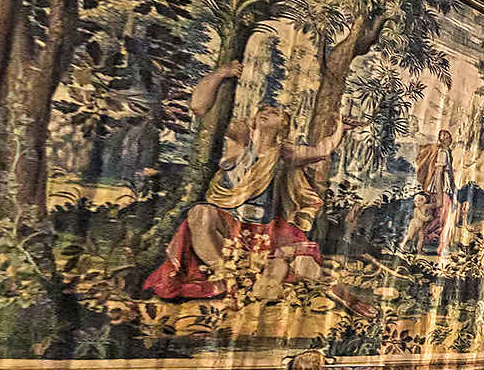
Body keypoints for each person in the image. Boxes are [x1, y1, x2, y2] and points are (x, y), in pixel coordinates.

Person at [145, 68, 369, 311]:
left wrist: (340, 129)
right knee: (200, 213)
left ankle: (342, 296)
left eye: (273, 113)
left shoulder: (283, 153)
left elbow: (321, 151)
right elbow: (199, 108)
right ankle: (230, 276)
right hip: (228, 227)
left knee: (306, 267)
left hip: (264, 230)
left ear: (283, 126)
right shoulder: (239, 140)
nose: (265, 113)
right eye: (262, 110)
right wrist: (221, 74)